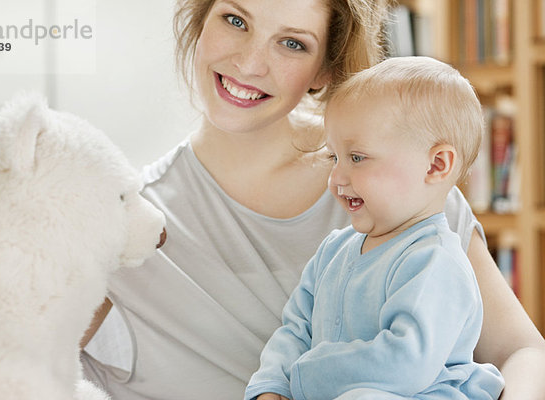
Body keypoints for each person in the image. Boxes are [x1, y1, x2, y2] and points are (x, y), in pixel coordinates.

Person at [80, 1, 545, 399]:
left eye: (292, 43)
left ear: (325, 66)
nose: (250, 63)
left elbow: (523, 352)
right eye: (235, 20)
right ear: (201, 20)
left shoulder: (399, 182)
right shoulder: (123, 226)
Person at [244, 56, 505, 400]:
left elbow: (406, 364)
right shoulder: (334, 251)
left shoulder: (436, 262)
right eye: (334, 157)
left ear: (436, 165)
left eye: (357, 158)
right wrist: (272, 386)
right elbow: (295, 330)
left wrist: (304, 376)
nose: (336, 178)